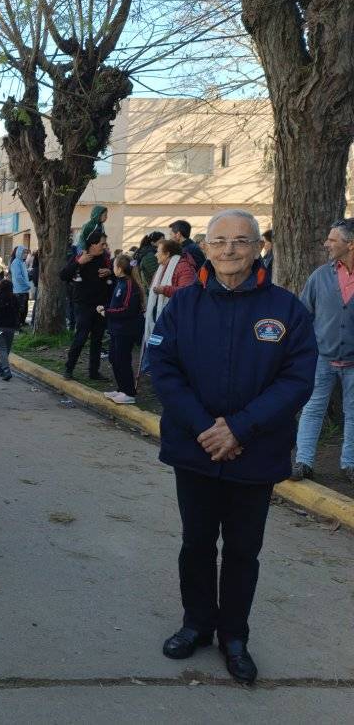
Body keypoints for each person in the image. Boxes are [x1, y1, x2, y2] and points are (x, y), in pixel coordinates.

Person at [148, 209, 316, 686]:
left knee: (243, 550)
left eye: (241, 240)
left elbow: (297, 379)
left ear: (258, 247)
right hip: (195, 449)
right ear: (205, 247)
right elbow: (162, 367)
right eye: (219, 241)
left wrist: (239, 430)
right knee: (196, 543)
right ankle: (196, 624)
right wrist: (208, 428)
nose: (229, 250)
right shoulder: (183, 304)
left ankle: (234, 637)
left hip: (255, 453)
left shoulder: (286, 309)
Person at [292, 218, 354, 484]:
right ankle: (303, 462)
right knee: (312, 408)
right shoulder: (319, 276)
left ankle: (350, 464)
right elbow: (303, 315)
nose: (326, 244)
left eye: (332, 239)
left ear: (350, 244)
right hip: (321, 358)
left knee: (353, 413)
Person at [60, 230, 113, 381]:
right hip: (83, 305)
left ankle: (94, 372)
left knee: (97, 339)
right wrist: (79, 263)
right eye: (102, 244)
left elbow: (115, 275)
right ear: (92, 244)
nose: (104, 247)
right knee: (81, 337)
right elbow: (63, 275)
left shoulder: (105, 258)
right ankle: (69, 369)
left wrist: (109, 272)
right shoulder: (80, 256)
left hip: (100, 306)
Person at [100, 254, 145, 404]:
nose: (112, 268)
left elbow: (127, 309)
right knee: (114, 358)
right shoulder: (120, 283)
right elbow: (116, 304)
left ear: (119, 269)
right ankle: (121, 389)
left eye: (114, 265)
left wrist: (107, 312)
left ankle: (129, 392)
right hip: (116, 328)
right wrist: (106, 308)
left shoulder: (130, 285)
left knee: (122, 360)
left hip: (126, 330)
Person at [141, 239, 183, 372]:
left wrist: (164, 290)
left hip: (170, 318)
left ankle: (158, 369)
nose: (155, 254)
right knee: (155, 343)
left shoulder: (182, 267)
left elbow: (186, 291)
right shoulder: (162, 268)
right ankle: (151, 367)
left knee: (162, 347)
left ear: (167, 254)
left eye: (158, 251)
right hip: (158, 317)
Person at [0, 278, 21, 379]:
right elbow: (19, 313)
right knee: (6, 349)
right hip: (11, 328)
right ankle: (1, 368)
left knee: (1, 349)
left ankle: (6, 370)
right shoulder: (15, 299)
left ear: (0, 288)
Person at [9, 246, 31, 319]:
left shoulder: (22, 262)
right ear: (19, 252)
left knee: (24, 310)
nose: (26, 254)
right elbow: (18, 277)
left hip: (24, 290)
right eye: (24, 252)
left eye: (26, 253)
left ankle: (22, 322)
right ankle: (19, 323)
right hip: (19, 291)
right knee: (20, 310)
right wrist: (26, 285)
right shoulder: (16, 262)